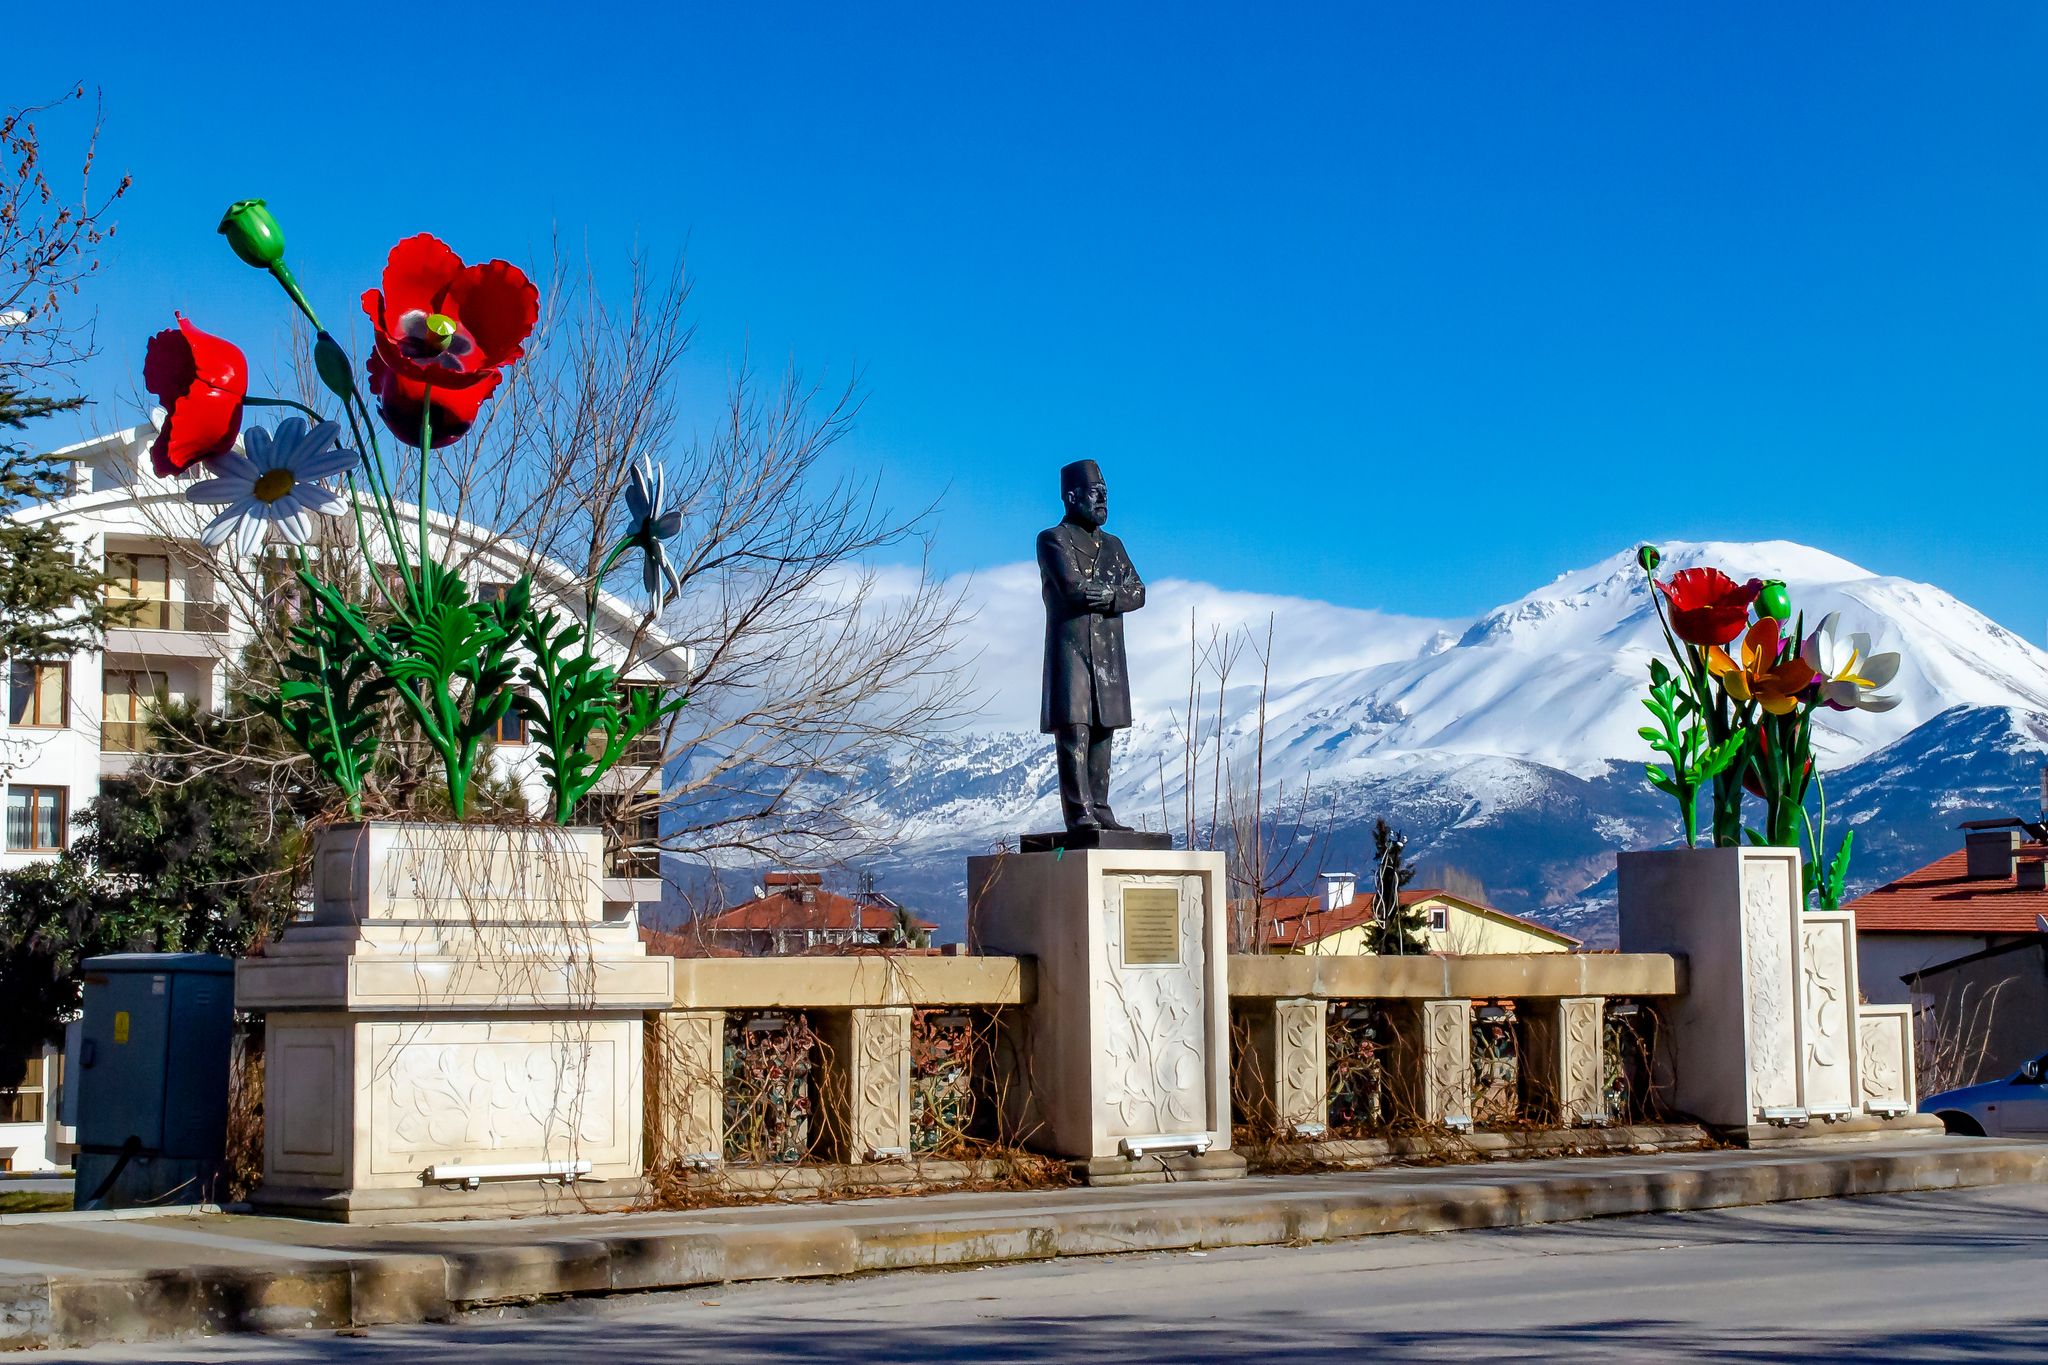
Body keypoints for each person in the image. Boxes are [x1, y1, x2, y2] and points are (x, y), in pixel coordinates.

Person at [1037, 459, 1146, 832]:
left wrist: (1110, 594)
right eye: (1094, 492)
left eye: (1105, 493)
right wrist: (1103, 592)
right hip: (1071, 654)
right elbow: (1071, 588)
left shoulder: (1114, 546)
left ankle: (1100, 806)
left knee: (1104, 729)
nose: (1102, 500)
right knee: (1075, 729)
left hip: (1109, 657)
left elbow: (1138, 591)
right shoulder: (1053, 539)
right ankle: (1079, 811)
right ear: (1071, 497)